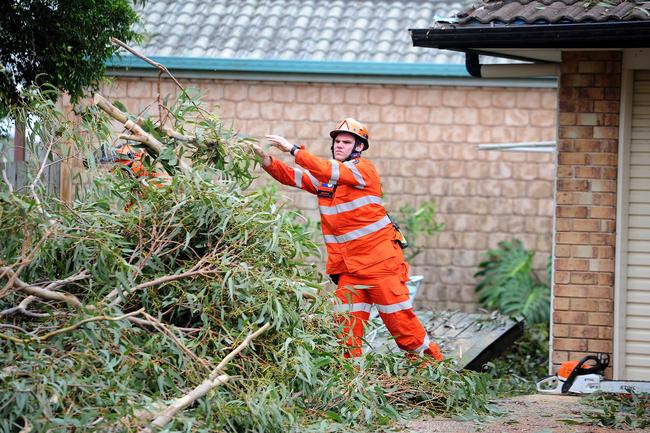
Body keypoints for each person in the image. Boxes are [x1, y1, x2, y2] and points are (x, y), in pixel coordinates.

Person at [252, 118, 443, 361]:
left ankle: (433, 371)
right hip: (350, 270)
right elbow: (295, 177)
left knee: (403, 329)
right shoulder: (329, 180)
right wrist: (267, 161)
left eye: (346, 142)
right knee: (345, 335)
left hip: (379, 266)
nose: (340, 145)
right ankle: (348, 386)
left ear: (359, 147)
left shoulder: (363, 171)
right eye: (337, 141)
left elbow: (328, 169)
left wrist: (292, 149)